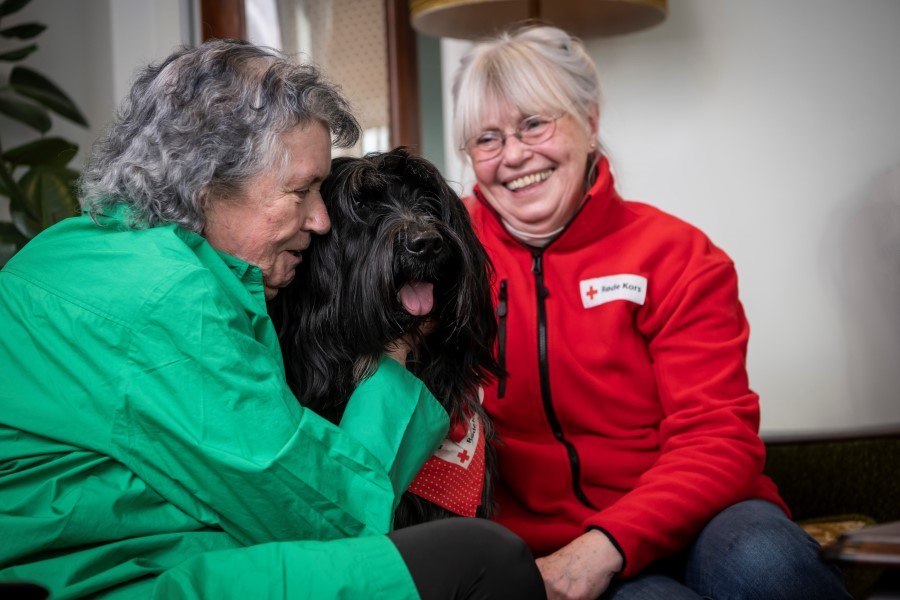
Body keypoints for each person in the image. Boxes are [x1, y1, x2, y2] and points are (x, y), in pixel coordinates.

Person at [0, 39, 546, 599]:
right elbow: (332, 518)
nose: (321, 219)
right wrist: (395, 353)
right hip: (116, 580)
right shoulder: (166, 301)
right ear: (208, 184)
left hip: (114, 558)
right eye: (302, 190)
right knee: (486, 558)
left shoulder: (69, 249)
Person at [451, 24, 851, 600]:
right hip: (547, 548)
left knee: (770, 566)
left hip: (704, 517)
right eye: (487, 139)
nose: (514, 155)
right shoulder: (447, 261)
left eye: (534, 123)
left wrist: (607, 543)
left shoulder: (679, 255)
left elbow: (719, 437)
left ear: (589, 120)